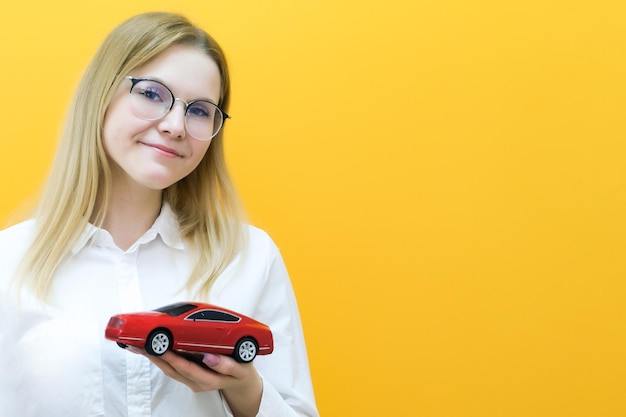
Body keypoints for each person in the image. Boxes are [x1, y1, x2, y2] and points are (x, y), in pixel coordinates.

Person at [0, 11, 319, 417]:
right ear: (102, 94)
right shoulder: (8, 262)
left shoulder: (250, 258)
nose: (175, 125)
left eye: (200, 110)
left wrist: (247, 390)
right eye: (151, 94)